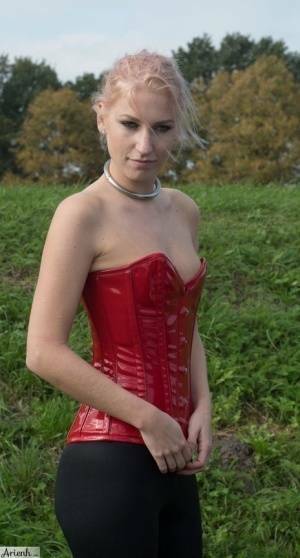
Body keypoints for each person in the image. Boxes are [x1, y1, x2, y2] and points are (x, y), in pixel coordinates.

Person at [26, 49, 212, 558]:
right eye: (130, 124)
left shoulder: (183, 211)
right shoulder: (80, 215)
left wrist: (203, 405)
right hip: (108, 461)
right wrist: (150, 418)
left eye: (163, 127)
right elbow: (43, 351)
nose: (145, 145)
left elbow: (184, 319)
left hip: (176, 458)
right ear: (102, 115)